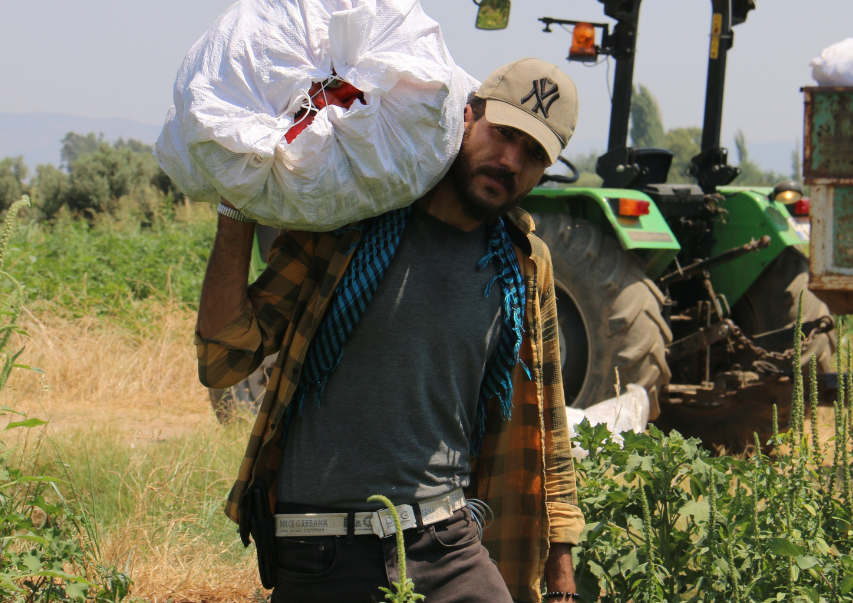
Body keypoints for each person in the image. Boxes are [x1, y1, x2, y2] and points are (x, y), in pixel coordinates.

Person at [197, 58, 584, 603]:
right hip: (322, 551)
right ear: (467, 117)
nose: (510, 160)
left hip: (446, 542)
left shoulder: (523, 265)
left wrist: (562, 577)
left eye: (535, 154)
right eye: (504, 134)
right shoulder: (348, 221)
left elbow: (549, 419)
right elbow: (222, 360)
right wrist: (234, 213)